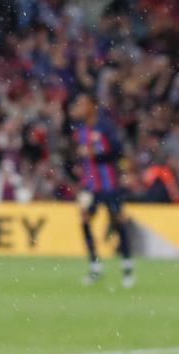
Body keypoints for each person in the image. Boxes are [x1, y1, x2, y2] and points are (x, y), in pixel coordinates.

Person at [69, 93, 134, 288]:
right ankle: (95, 266)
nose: (79, 107)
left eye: (82, 103)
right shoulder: (79, 130)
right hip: (90, 186)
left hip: (109, 184)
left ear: (93, 106)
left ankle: (127, 267)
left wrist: (96, 153)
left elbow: (118, 150)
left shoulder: (105, 127)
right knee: (85, 220)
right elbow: (78, 157)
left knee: (118, 221)